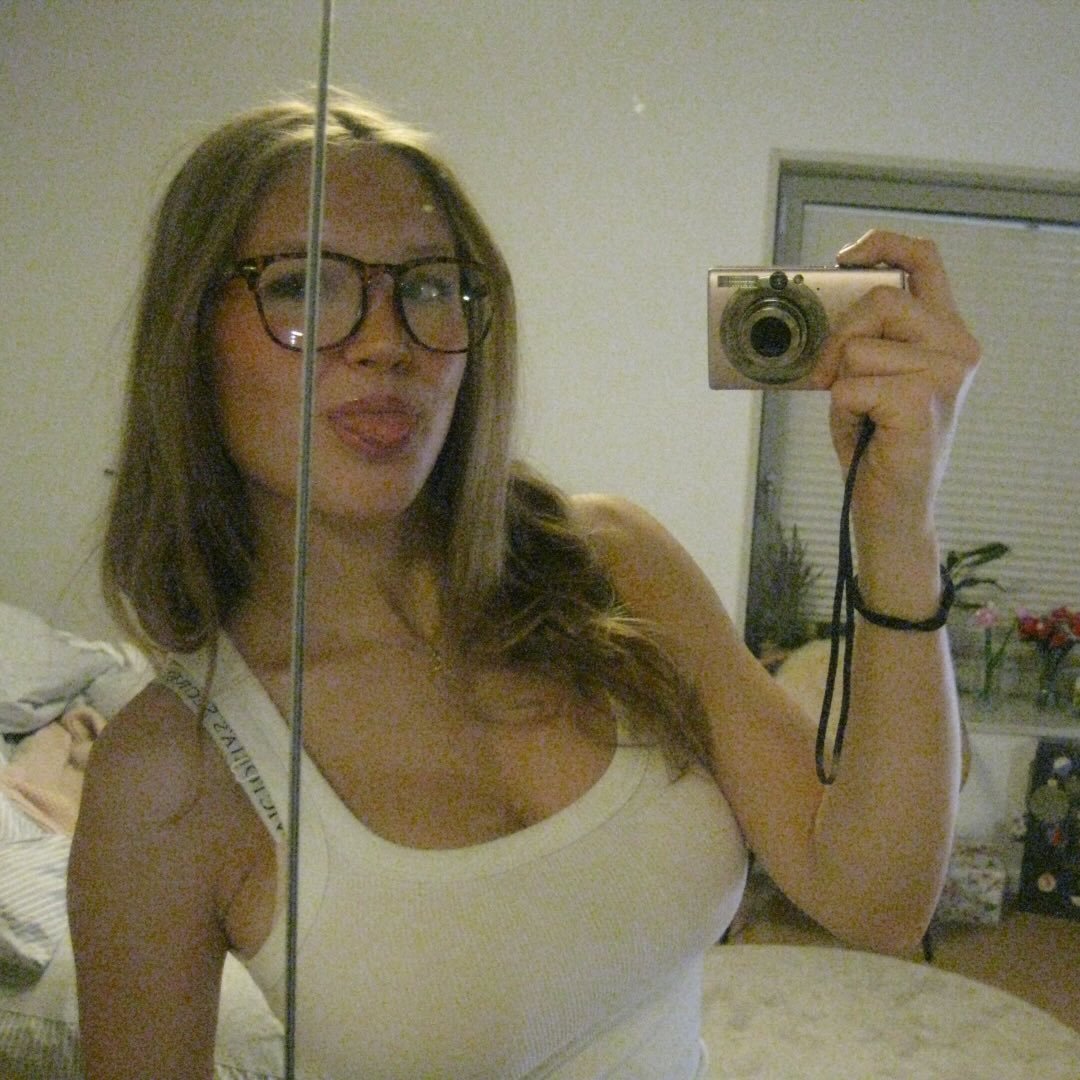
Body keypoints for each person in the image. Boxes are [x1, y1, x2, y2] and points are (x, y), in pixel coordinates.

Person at [68, 92, 980, 1079]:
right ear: (190, 337)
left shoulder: (614, 564)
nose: (387, 341)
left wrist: (898, 523)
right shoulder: (167, 775)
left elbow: (875, 897)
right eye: (300, 286)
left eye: (430, 286)